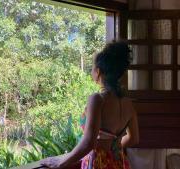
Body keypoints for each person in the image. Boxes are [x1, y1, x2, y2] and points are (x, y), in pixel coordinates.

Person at [40, 40, 139, 169]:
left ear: (98, 71)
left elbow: (88, 142)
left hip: (98, 163)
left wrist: (60, 163)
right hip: (118, 162)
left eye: (91, 68)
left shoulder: (97, 99)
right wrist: (113, 148)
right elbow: (134, 139)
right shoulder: (128, 103)